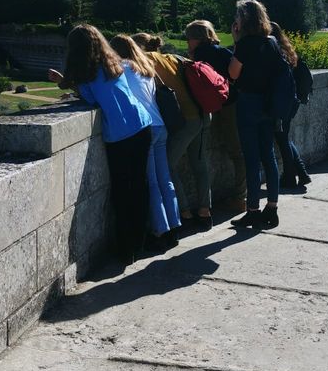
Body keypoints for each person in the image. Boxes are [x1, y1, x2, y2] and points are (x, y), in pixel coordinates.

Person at [48, 25, 152, 265]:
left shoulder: (86, 74)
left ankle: (126, 249)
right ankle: (139, 242)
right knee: (139, 186)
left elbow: (90, 97)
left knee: (122, 192)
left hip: (120, 135)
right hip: (141, 125)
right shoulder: (113, 64)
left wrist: (64, 83)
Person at [131, 32, 213, 231]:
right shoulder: (172, 57)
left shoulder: (146, 59)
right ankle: (205, 212)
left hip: (185, 120)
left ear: (138, 48)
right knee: (199, 164)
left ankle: (184, 213)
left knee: (166, 165)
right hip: (201, 114)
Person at [109, 34, 180, 252]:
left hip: (146, 128)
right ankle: (174, 226)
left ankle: (160, 231)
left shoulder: (121, 68)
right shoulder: (145, 68)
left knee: (152, 182)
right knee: (165, 179)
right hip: (161, 125)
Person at [228, 0, 281, 230]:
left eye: (238, 16)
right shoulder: (272, 42)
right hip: (269, 104)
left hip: (249, 103)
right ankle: (272, 208)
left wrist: (236, 42)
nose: (235, 20)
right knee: (268, 156)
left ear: (244, 19)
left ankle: (253, 211)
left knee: (251, 159)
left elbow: (233, 74)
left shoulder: (245, 44)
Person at [184, 20, 246, 214]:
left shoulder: (201, 54)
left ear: (197, 38)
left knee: (237, 151)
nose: (187, 42)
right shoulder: (221, 51)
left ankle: (240, 198)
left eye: (189, 38)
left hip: (225, 106)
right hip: (233, 101)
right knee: (237, 151)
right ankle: (241, 196)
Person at [269, 22, 311, 190]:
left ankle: (290, 177)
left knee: (282, 139)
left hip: (282, 102)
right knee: (284, 138)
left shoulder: (275, 51)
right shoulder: (287, 50)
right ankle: (301, 173)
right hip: (292, 101)